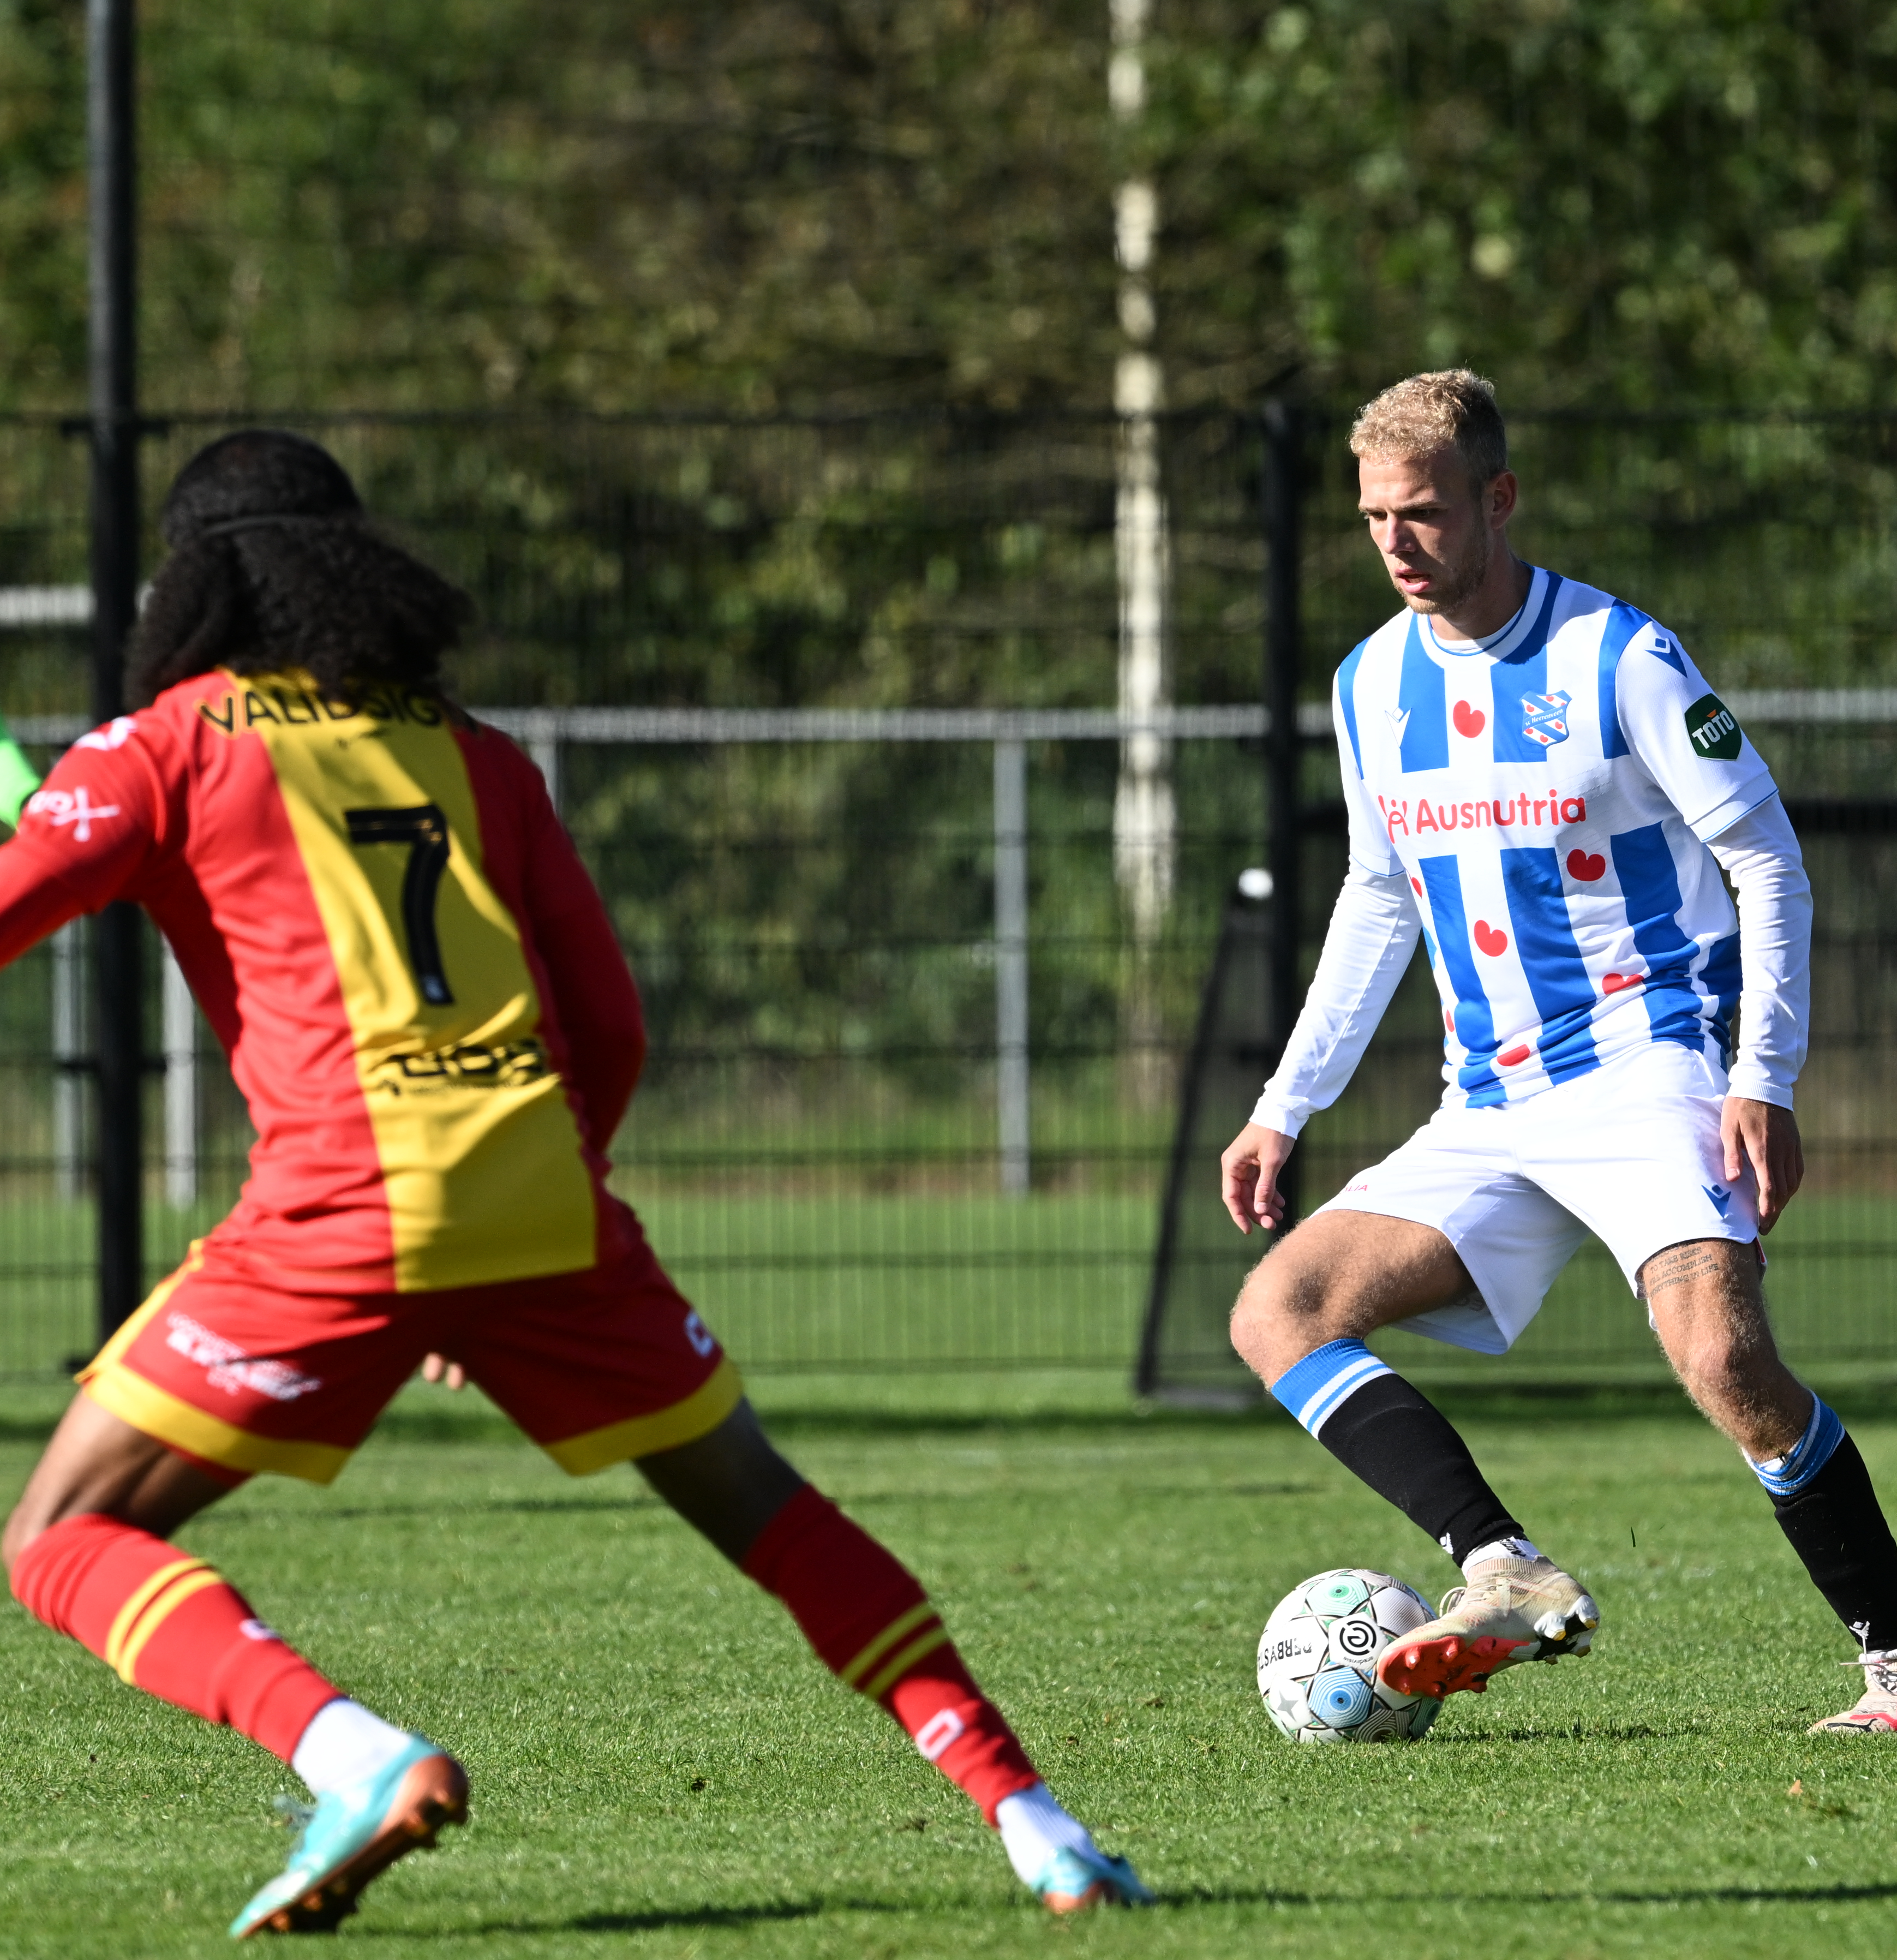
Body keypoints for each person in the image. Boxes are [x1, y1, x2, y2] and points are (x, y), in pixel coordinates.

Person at [0, 432, 1150, 1934]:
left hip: (346, 1198)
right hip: (543, 1191)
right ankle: (1038, 1826)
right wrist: (525, 1222)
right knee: (765, 1508)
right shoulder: (470, 751)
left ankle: (350, 1755)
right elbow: (608, 1026)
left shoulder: (166, 743)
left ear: (192, 584)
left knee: (61, 1536)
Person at [1217, 371, 1897, 1734]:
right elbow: (1379, 896)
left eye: (1428, 511)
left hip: (1649, 1065)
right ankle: (1497, 1563)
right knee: (1277, 1310)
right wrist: (1286, 1103)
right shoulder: (1369, 684)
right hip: (1487, 1101)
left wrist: (1763, 1074)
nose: (1397, 541)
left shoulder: (1619, 657)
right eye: (1376, 515)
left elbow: (1763, 857)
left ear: (1497, 501)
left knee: (1728, 1365)